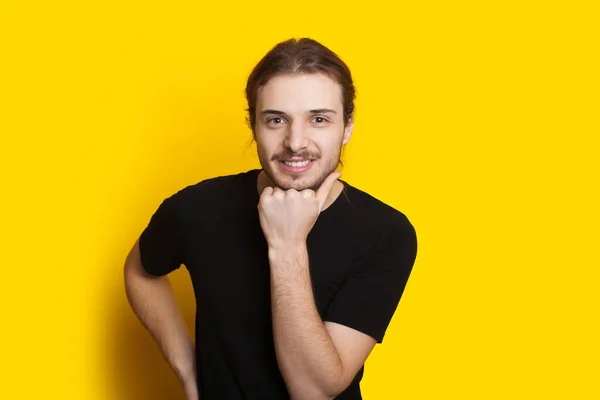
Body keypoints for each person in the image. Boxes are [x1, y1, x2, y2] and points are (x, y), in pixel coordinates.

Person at [124, 37, 418, 400]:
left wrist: (288, 244)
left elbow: (313, 392)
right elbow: (140, 271)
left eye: (319, 119)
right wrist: (187, 367)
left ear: (348, 126)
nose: (296, 142)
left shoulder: (385, 233)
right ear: (253, 125)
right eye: (276, 119)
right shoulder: (196, 208)